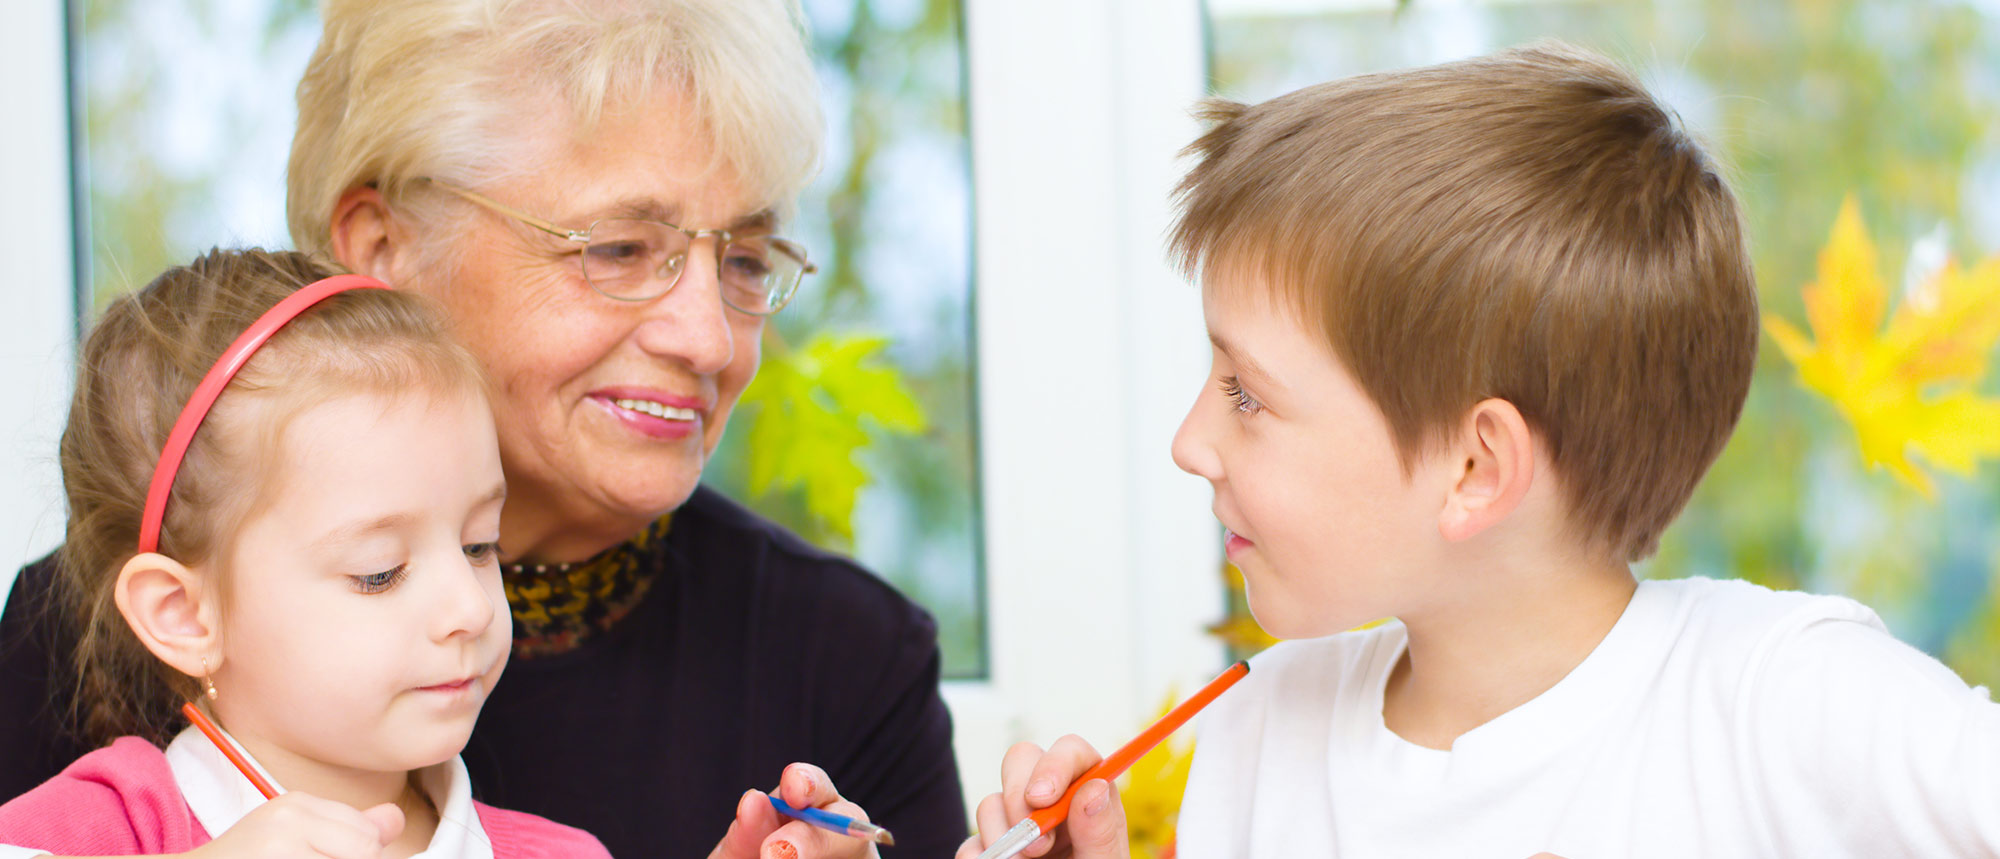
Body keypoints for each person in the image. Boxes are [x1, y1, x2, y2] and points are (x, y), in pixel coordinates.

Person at [960, 43, 2000, 858]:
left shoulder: (1782, 700)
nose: (1191, 443)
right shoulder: (1257, 733)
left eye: (1246, 394)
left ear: (1474, 469)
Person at [0, 3, 964, 857]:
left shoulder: (854, 661)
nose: (711, 338)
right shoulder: (80, 639)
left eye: (747, 260)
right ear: (384, 252)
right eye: (622, 248)